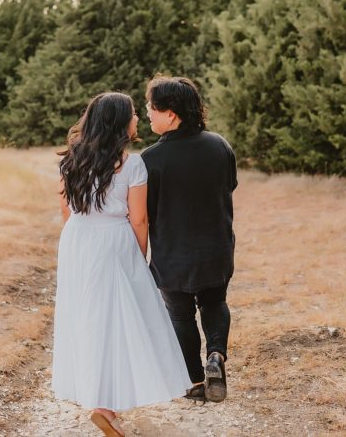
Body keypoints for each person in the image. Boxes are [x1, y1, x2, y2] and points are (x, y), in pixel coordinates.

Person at [51, 92, 190, 436]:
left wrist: (77, 240)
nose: (138, 120)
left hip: (77, 239)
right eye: (132, 115)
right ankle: (105, 405)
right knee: (116, 320)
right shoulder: (132, 164)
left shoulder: (70, 159)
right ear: (119, 123)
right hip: (114, 240)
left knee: (86, 316)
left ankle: (97, 397)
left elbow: (66, 210)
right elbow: (139, 219)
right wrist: (138, 258)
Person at [141, 76, 238, 402]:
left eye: (152, 107)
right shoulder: (220, 145)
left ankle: (196, 381)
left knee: (180, 315)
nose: (147, 113)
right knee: (214, 302)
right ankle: (216, 356)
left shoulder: (150, 159)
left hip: (173, 253)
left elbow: (145, 211)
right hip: (216, 248)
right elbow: (229, 186)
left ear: (171, 114)